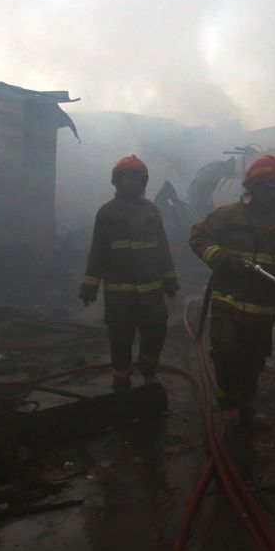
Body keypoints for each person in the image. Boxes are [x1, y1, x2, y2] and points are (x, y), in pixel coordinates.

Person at [189, 154, 275, 426]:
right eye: (266, 189)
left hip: (262, 307)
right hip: (229, 300)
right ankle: (228, 403)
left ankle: (247, 407)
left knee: (254, 360)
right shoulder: (228, 215)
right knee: (225, 353)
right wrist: (222, 259)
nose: (271, 196)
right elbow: (198, 237)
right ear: (252, 188)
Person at [79, 154, 179, 390]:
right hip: (119, 292)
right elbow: (98, 251)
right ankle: (121, 377)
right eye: (127, 178)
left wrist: (170, 279)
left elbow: (162, 247)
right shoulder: (107, 213)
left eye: (137, 179)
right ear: (117, 181)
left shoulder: (152, 211)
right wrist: (89, 285)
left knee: (156, 331)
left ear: (143, 183)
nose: (132, 183)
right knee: (120, 337)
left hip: (151, 291)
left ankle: (148, 371)